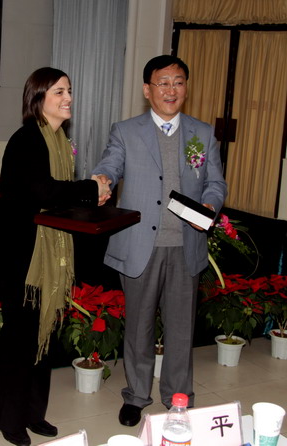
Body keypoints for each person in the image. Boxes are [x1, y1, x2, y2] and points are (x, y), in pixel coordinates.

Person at [91, 55, 227, 426]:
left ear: (186, 88)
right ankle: (136, 396)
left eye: (178, 82)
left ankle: (178, 398)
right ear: (147, 90)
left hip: (186, 245)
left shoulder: (202, 133)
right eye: (162, 83)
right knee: (139, 327)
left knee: (181, 329)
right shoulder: (126, 131)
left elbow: (216, 182)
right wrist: (102, 180)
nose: (171, 90)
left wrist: (210, 203)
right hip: (140, 246)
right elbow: (111, 164)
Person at [0, 67, 111, 446]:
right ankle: (8, 418)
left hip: (46, 257)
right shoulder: (26, 139)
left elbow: (59, 198)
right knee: (20, 339)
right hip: (18, 259)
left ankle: (33, 413)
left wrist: (94, 193)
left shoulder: (59, 141)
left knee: (44, 337)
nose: (68, 98)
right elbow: (43, 191)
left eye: (69, 90)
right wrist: (90, 188)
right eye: (59, 92)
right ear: (38, 98)